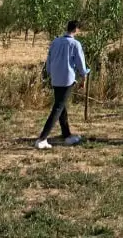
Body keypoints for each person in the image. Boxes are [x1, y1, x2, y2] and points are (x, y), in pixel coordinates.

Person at [35, 20, 89, 150]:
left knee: (61, 105)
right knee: (58, 107)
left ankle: (67, 135)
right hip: (67, 79)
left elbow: (49, 60)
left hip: (55, 78)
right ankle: (42, 138)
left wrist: (49, 73)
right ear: (76, 29)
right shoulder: (75, 44)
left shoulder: (55, 42)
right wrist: (84, 76)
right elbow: (81, 64)